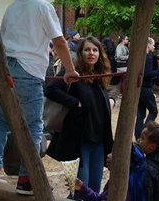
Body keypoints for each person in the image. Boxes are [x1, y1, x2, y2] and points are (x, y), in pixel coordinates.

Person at [0, 0, 80, 195]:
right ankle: (28, 177)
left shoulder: (13, 7)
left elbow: (2, 41)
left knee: (2, 122)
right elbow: (59, 42)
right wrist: (70, 69)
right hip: (29, 72)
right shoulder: (43, 7)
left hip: (6, 71)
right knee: (34, 125)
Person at [45, 36, 114, 192]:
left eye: (95, 50)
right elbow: (51, 89)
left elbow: (102, 96)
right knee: (80, 189)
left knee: (94, 188)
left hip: (98, 140)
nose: (91, 53)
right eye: (87, 50)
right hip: (78, 140)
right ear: (80, 53)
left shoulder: (99, 74)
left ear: (100, 54)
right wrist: (74, 102)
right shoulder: (73, 71)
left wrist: (111, 100)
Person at [136, 37, 159, 140]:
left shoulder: (139, 56)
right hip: (146, 87)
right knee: (154, 111)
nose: (154, 47)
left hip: (139, 88)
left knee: (140, 114)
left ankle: (138, 136)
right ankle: (144, 133)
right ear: (148, 45)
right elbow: (148, 73)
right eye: (153, 45)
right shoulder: (148, 57)